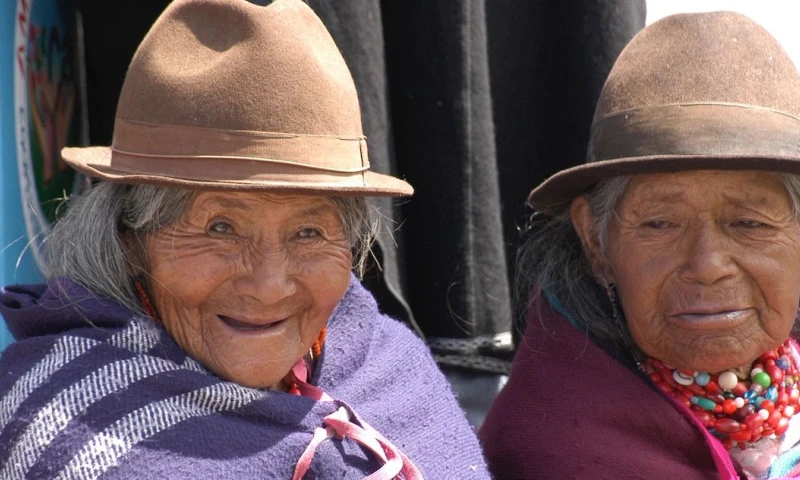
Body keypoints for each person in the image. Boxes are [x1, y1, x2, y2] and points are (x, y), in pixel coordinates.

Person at [0, 1, 490, 478]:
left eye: (308, 232)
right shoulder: (65, 415)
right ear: (129, 239)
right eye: (221, 229)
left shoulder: (386, 364)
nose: (269, 286)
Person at [480, 11, 800, 480]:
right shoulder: (546, 448)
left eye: (749, 222)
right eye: (659, 223)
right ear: (595, 240)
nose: (708, 265)